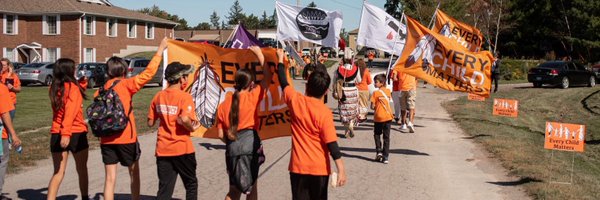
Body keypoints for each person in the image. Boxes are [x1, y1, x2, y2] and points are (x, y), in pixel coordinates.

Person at [97, 37, 168, 200]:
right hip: (127, 137)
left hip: (107, 139)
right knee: (133, 174)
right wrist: (160, 50)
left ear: (108, 72)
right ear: (124, 71)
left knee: (109, 179)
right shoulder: (127, 85)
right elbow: (148, 73)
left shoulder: (101, 90)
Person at [276, 56, 346, 200]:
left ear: (307, 85)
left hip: (298, 167)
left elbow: (283, 81)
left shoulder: (296, 101)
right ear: (326, 91)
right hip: (319, 169)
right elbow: (331, 144)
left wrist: (280, 61)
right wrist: (341, 170)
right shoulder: (324, 112)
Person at [217, 46, 271, 200]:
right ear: (251, 84)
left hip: (232, 148)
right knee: (251, 189)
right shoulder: (252, 97)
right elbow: (267, 76)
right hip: (250, 146)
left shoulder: (223, 105)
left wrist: (233, 141)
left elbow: (221, 134)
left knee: (233, 191)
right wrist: (260, 54)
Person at [148, 62, 199, 200]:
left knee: (165, 188)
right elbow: (184, 118)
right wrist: (191, 127)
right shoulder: (185, 97)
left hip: (163, 149)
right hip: (182, 148)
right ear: (181, 78)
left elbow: (150, 122)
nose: (187, 79)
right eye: (186, 76)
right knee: (191, 184)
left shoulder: (158, 96)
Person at [47, 58, 90, 200]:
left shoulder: (53, 87)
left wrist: (82, 83)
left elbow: (69, 96)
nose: (76, 70)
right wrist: (66, 134)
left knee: (58, 172)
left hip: (56, 132)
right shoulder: (73, 88)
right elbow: (69, 112)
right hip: (74, 132)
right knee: (81, 169)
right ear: (68, 71)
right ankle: (85, 197)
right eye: (74, 68)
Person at [0, 58, 21, 200]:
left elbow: (18, 88)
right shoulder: (1, 89)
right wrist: (13, 135)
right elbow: (5, 114)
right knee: (2, 160)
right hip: (0, 132)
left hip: (11, 102)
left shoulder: (13, 77)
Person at [370, 74, 394, 164]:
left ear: (382, 83)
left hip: (378, 117)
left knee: (377, 135)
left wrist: (376, 107)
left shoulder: (375, 93)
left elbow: (372, 106)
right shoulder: (388, 91)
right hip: (388, 117)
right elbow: (388, 98)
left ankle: (379, 151)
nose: (374, 83)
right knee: (386, 137)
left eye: (376, 82)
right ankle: (386, 157)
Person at [335, 59, 361, 138]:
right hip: (353, 90)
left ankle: (346, 131)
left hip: (343, 91)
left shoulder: (339, 69)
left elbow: (335, 80)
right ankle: (351, 124)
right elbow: (359, 80)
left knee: (344, 110)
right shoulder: (356, 69)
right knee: (353, 109)